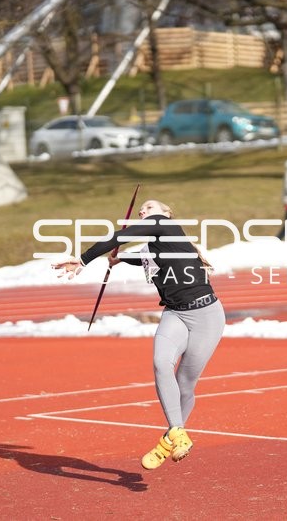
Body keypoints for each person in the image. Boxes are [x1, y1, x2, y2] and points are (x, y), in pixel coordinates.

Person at [52, 200, 226, 470]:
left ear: (166, 213)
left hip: (207, 316)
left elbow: (118, 236)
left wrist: (83, 259)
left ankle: (167, 441)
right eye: (141, 209)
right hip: (175, 313)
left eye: (149, 207)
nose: (143, 211)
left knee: (186, 383)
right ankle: (177, 432)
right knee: (160, 364)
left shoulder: (163, 224)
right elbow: (146, 258)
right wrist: (121, 258)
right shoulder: (155, 244)